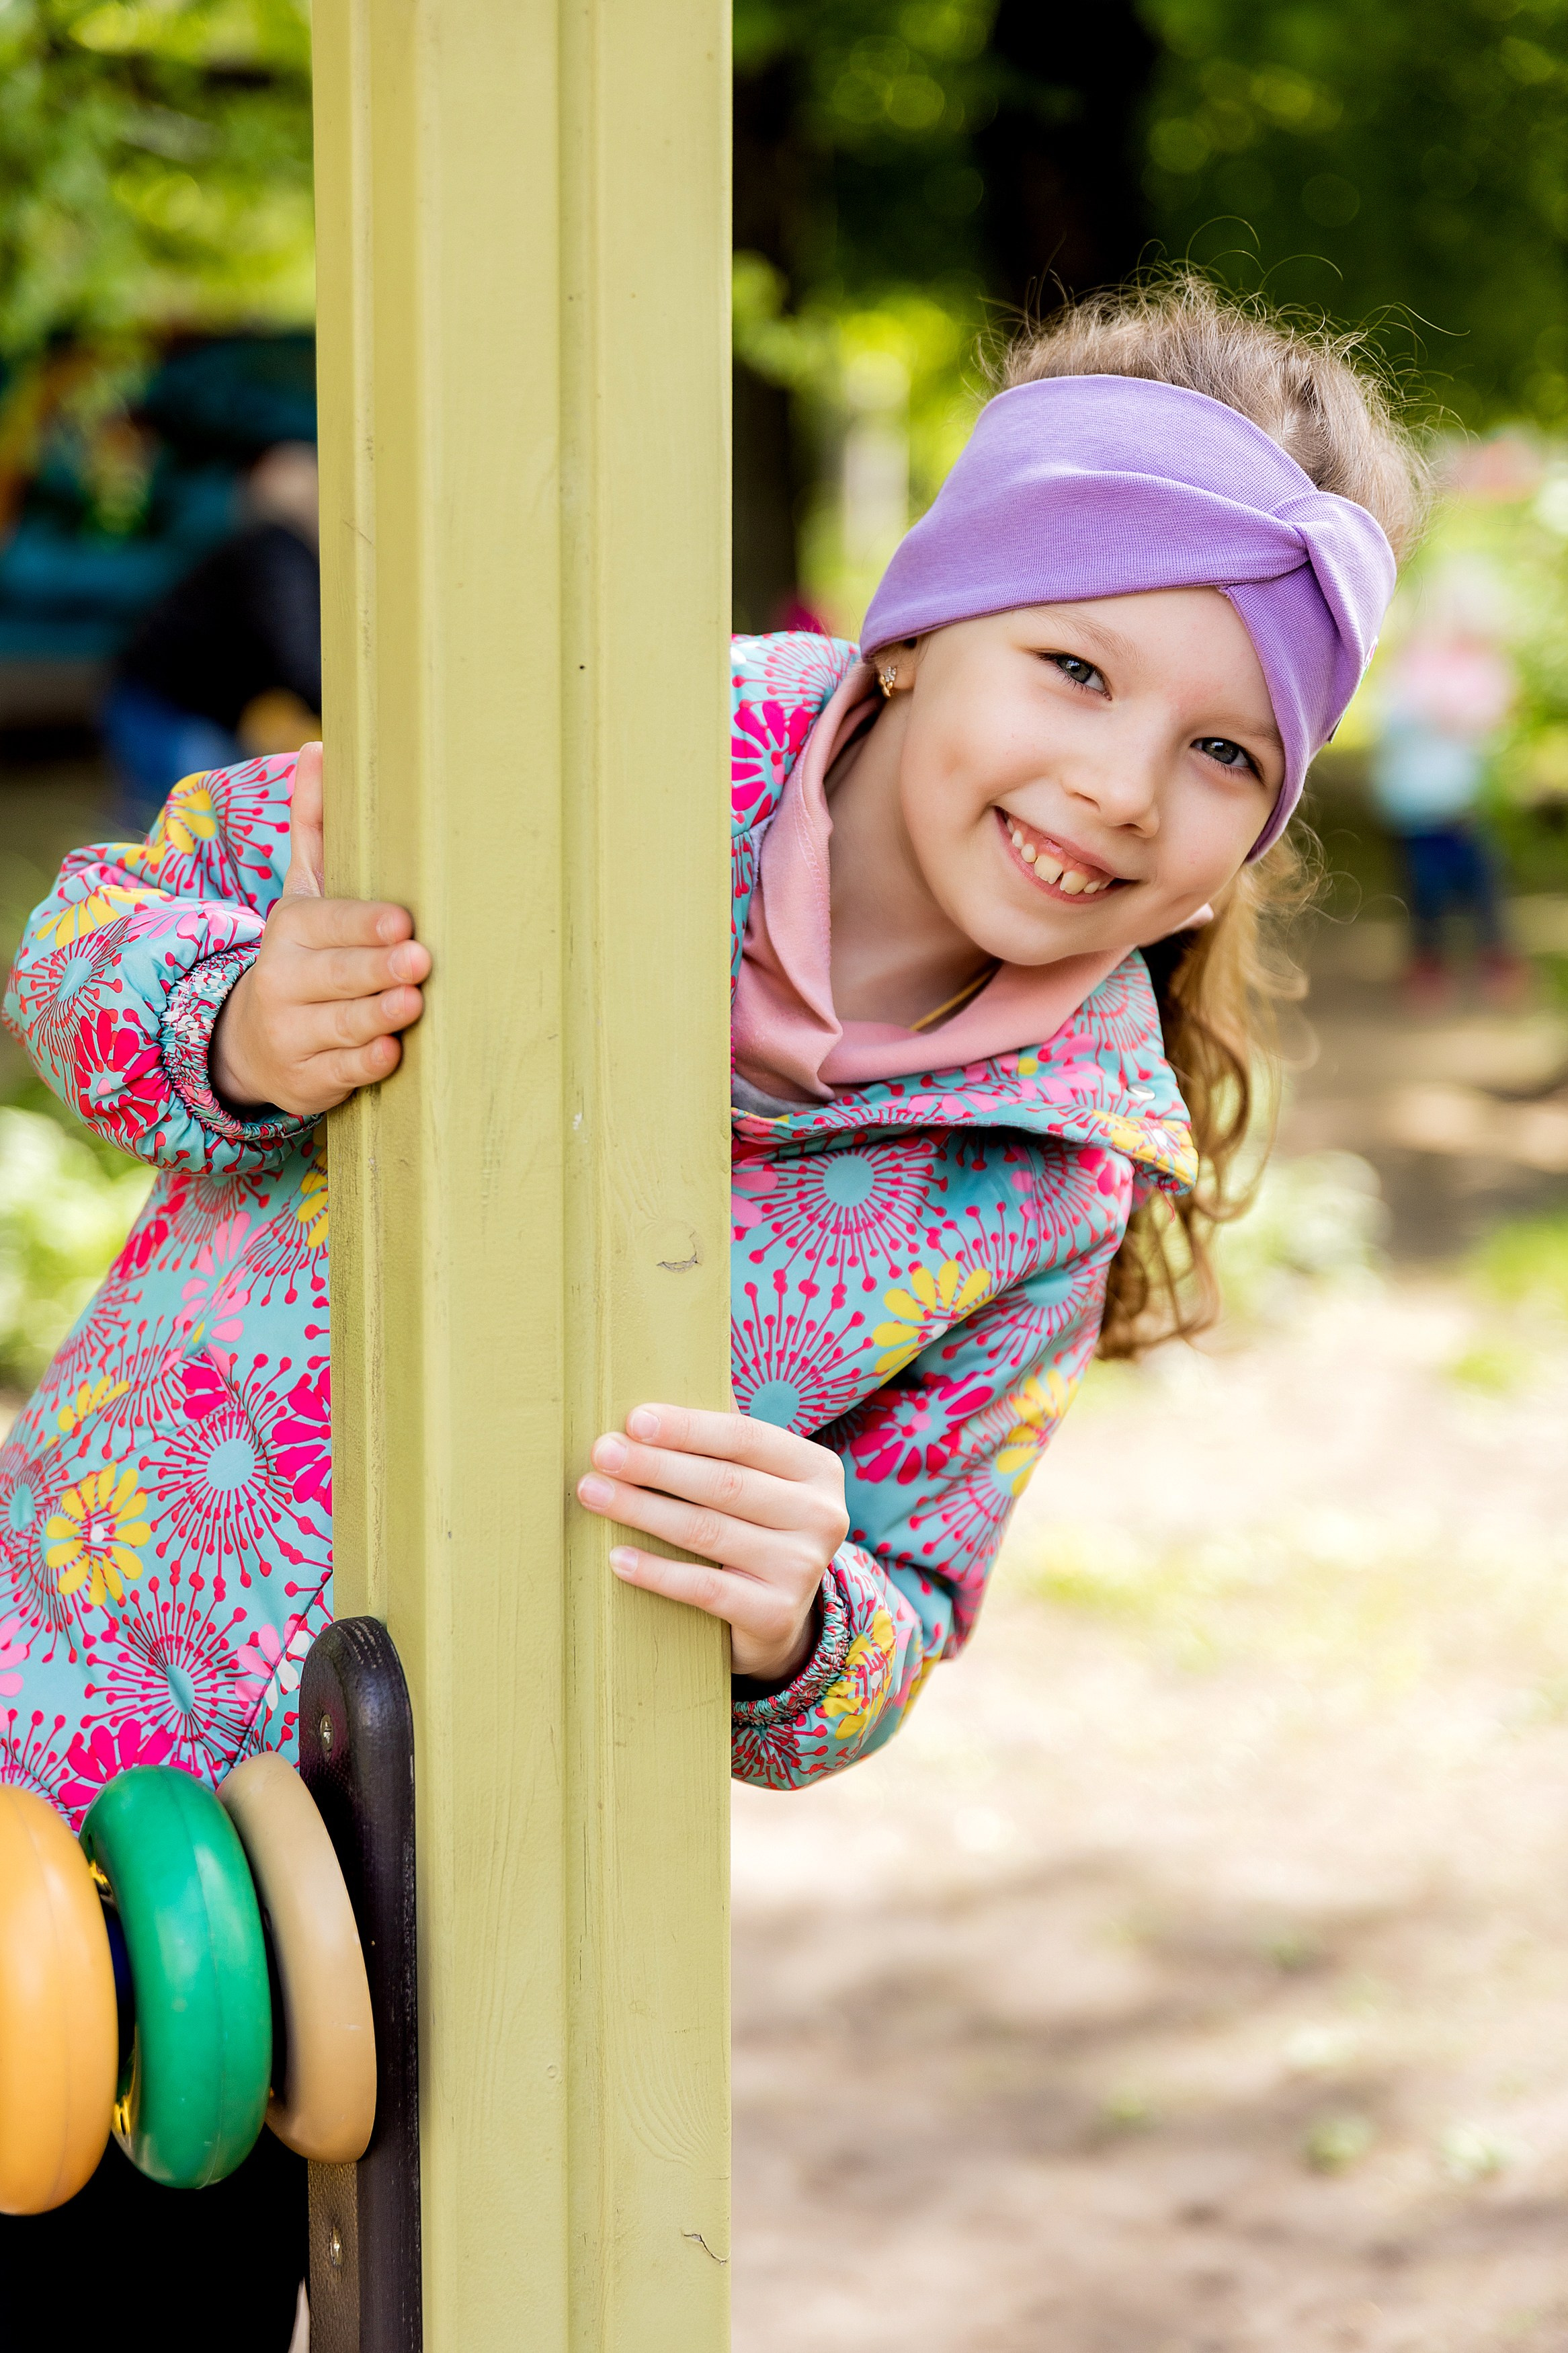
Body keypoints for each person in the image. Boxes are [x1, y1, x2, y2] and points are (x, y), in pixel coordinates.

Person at [1, 278, 1424, 1819]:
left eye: (1226, 753)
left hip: (430, 1882)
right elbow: (85, 944)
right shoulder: (572, 747)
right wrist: (235, 1025)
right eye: (1075, 671)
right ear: (913, 637)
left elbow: (911, 1599)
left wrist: (802, 1623)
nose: (1124, 785)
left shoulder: (1057, 1170)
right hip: (57, 1654)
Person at [100, 441, 322, 830]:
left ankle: (113, 880)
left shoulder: (253, 549)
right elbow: (299, 656)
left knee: (162, 823)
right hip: (169, 710)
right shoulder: (279, 554)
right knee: (206, 822)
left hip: (149, 698)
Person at [1368, 627, 1523, 1007]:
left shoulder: (1474, 676)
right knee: (1425, 893)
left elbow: (1494, 717)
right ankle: (1428, 968)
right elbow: (1391, 726)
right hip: (1415, 810)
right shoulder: (1403, 683)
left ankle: (1496, 962)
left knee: (1484, 886)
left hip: (1462, 806)